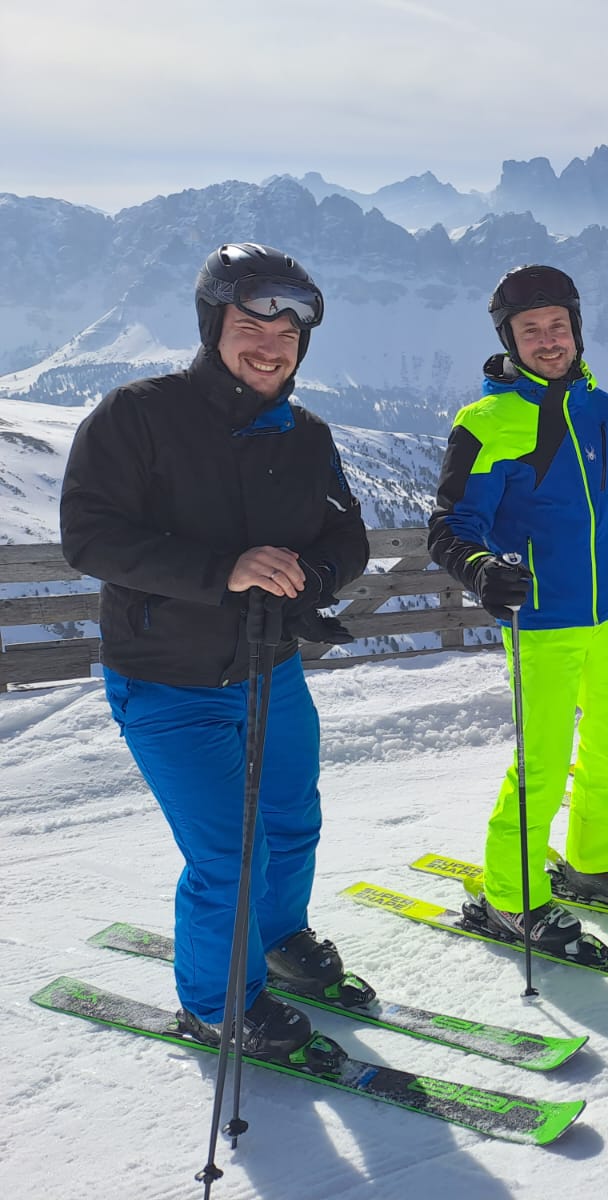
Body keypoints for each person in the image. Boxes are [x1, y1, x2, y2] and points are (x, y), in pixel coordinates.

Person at [59, 243, 369, 1065]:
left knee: (292, 819)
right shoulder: (137, 415)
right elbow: (88, 537)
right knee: (230, 854)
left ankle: (279, 938)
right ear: (213, 327)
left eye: (288, 336)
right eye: (250, 328)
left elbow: (346, 537)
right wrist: (223, 571)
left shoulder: (307, 435)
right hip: (167, 680)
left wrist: (311, 580)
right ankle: (216, 1006)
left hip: (272, 668)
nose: (270, 348)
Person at [428, 264, 608, 954]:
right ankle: (510, 896)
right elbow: (451, 527)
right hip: (540, 622)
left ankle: (594, 860)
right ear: (510, 340)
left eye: (558, 326)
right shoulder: (486, 423)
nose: (548, 340)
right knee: (543, 765)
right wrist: (481, 568)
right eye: (532, 330)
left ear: (577, 330)